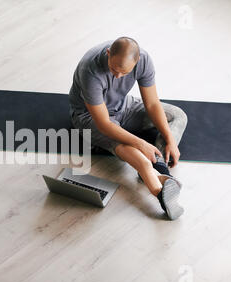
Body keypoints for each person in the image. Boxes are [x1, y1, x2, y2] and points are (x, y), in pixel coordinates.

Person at [68, 37, 188, 220]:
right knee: (135, 152)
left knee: (178, 115)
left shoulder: (144, 60)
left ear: (137, 61)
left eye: (124, 73)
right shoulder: (89, 70)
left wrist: (170, 139)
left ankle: (160, 169)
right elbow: (105, 124)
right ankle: (158, 187)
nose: (117, 76)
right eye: (113, 69)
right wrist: (141, 144)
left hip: (125, 108)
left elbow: (153, 104)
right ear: (108, 53)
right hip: (90, 118)